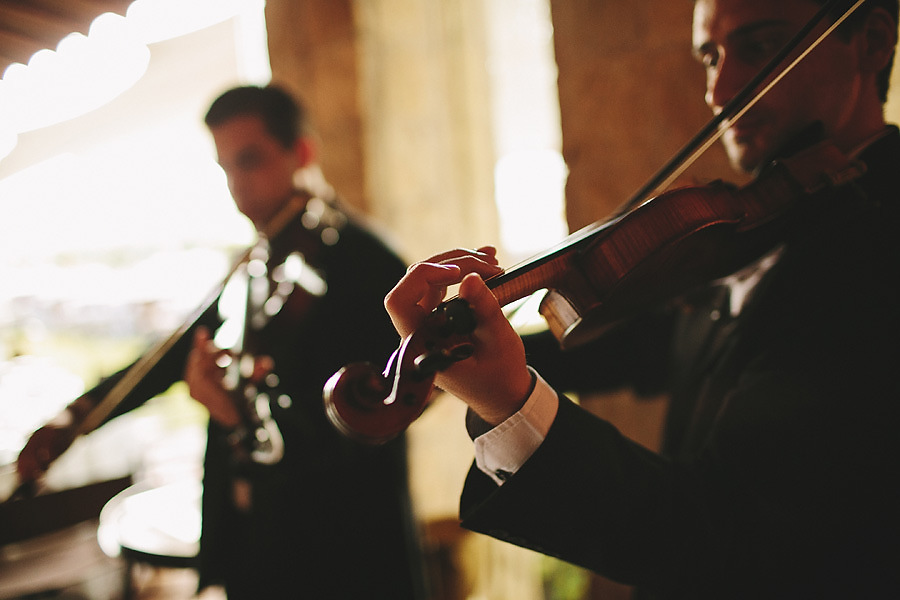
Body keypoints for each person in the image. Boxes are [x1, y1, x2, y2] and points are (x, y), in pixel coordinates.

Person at [381, 0, 900, 597]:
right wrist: (463, 356)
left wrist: (513, 405)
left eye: (758, 49)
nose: (721, 91)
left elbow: (723, 536)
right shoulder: (766, 218)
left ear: (872, 41)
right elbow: (656, 341)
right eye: (711, 56)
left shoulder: (878, 248)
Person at [17, 85, 426, 599]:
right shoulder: (260, 258)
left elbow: (358, 436)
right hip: (260, 548)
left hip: (339, 554)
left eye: (249, 162)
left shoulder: (369, 267)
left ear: (301, 153)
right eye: (226, 168)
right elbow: (173, 354)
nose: (237, 187)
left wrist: (237, 416)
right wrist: (77, 416)